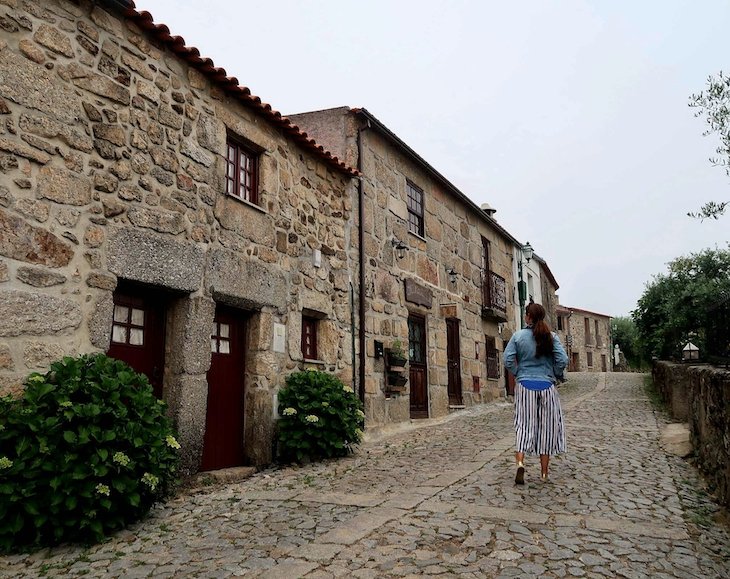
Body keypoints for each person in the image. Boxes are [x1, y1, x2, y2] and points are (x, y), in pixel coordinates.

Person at [504, 302, 568, 484]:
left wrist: (518, 373)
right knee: (547, 429)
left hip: (525, 385)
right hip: (547, 386)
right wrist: (554, 373)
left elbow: (508, 359)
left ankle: (520, 462)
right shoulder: (551, 337)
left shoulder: (518, 336)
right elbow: (562, 359)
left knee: (523, 425)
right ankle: (544, 473)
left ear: (528, 317)